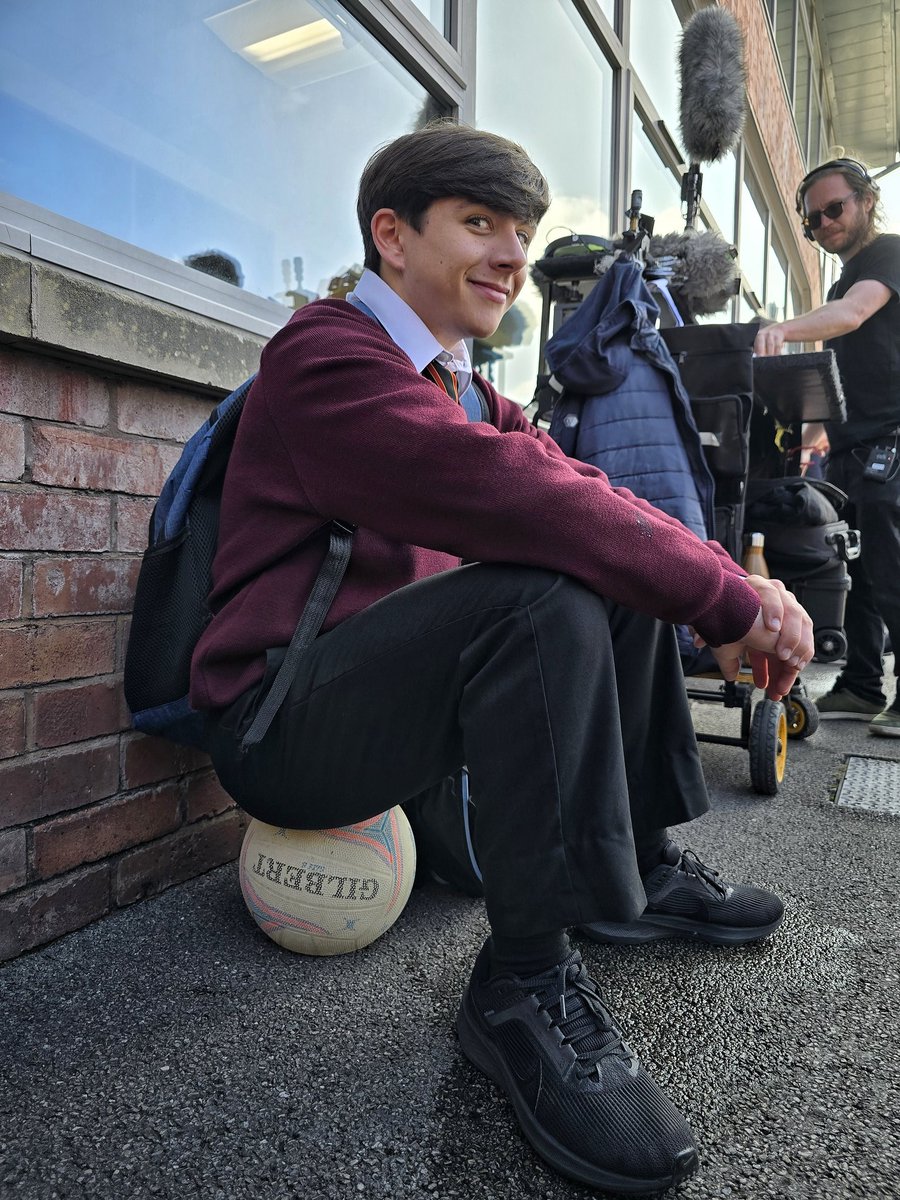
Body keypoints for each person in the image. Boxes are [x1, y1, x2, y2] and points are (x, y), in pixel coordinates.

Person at [192, 121, 813, 1195]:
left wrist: (736, 581)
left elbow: (591, 494)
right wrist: (722, 598)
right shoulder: (324, 355)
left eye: (521, 231)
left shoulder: (470, 390)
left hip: (396, 729)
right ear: (392, 235)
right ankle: (524, 982)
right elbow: (517, 499)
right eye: (478, 223)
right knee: (542, 581)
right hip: (281, 726)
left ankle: (637, 871)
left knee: (597, 556)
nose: (511, 255)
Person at [754, 157, 900, 736]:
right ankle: (862, 686)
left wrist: (782, 330)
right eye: (813, 221)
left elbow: (852, 313)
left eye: (834, 208)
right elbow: (842, 385)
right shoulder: (840, 278)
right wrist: (804, 437)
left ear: (865, 200)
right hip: (855, 448)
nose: (824, 223)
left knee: (890, 566)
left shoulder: (886, 255)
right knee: (860, 571)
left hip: (893, 440)